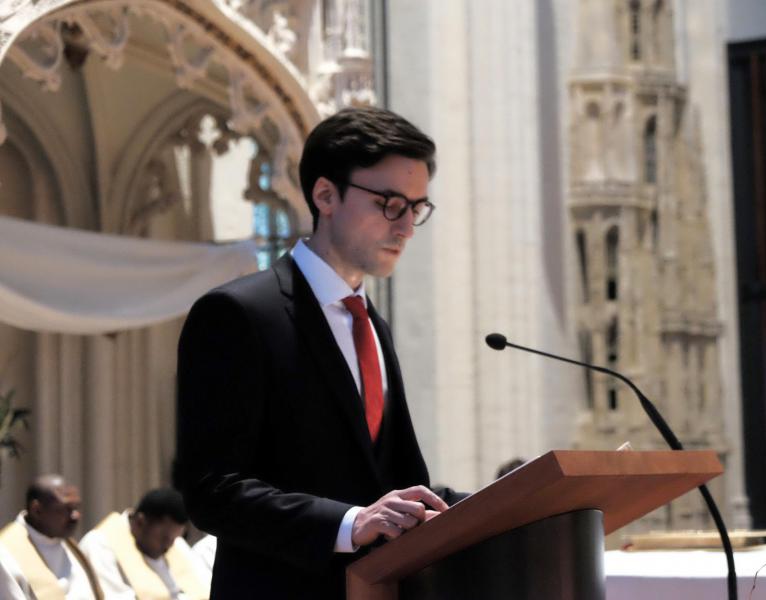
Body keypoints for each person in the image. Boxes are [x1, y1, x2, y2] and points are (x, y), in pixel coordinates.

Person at [175, 106, 465, 599]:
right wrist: (351, 523)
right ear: (326, 195)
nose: (406, 227)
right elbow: (212, 490)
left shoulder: (372, 325)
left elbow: (390, 478)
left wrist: (517, 497)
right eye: (390, 203)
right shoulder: (238, 313)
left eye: (416, 208)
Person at [79, 488, 209, 599]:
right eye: (164, 538)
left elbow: (204, 588)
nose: (169, 546)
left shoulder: (176, 544)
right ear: (141, 522)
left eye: (174, 539)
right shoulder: (100, 544)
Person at [0, 474, 103, 599]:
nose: (75, 516)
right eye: (66, 509)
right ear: (36, 509)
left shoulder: (71, 548)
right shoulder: (7, 552)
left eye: (76, 508)